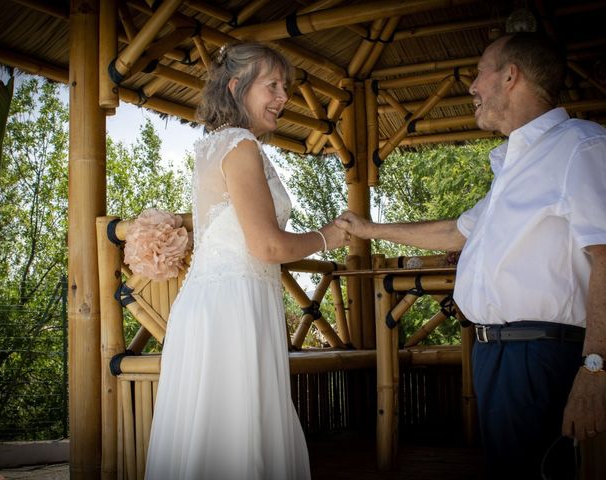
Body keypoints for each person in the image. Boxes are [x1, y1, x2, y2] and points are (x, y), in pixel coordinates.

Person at [336, 33, 606, 479]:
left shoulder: (581, 146)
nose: (472, 87)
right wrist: (369, 229)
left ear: (510, 76)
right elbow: (456, 230)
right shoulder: (515, 168)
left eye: (480, 72)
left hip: (538, 356)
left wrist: (596, 369)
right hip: (496, 356)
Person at [144, 42, 349, 479]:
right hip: (232, 311)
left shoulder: (218, 145)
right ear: (237, 87)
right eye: (272, 85)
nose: (283, 97)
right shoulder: (240, 147)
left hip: (221, 302)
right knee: (239, 436)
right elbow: (267, 247)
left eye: (286, 87)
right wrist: (326, 236)